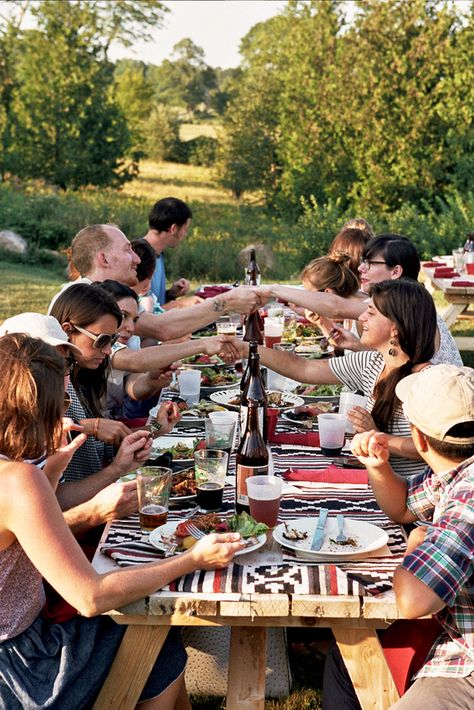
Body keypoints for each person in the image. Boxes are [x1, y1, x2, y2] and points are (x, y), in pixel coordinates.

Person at [0, 333, 245, 710]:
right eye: (61, 402)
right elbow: (91, 597)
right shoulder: (18, 480)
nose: (65, 414)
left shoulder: (20, 476)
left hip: (16, 647)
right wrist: (192, 559)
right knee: (150, 633)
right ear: (35, 409)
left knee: (154, 641)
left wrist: (50, 475)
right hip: (23, 669)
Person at [323, 364, 474, 709]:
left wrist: (415, 548)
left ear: (418, 438)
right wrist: (378, 466)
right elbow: (405, 507)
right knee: (347, 657)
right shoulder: (457, 470)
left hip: (467, 658)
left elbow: (413, 601)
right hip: (454, 631)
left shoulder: (468, 497)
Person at [234, 279, 437, 477]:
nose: (362, 318)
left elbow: (430, 447)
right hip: (376, 480)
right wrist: (245, 348)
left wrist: (376, 435)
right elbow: (302, 368)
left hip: (409, 491)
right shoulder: (373, 363)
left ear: (395, 327)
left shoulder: (425, 381)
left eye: (371, 313)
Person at [264, 233, 462, 367]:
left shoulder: (405, 305)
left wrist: (270, 290)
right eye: (363, 262)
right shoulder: (402, 299)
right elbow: (391, 360)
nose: (360, 268)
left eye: (370, 263)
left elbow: (335, 307)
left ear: (395, 271)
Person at [49, 223, 263, 342]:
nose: (137, 259)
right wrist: (227, 301)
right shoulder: (84, 298)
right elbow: (163, 328)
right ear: (103, 259)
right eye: (127, 250)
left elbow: (161, 324)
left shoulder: (104, 294)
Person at [94, 280, 239, 420]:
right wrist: (201, 345)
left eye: (135, 320)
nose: (131, 328)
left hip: (115, 425)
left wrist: (151, 381)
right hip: (97, 434)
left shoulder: (129, 340)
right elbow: (134, 360)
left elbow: (132, 387)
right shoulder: (99, 341)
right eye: (123, 316)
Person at [143, 196, 192, 308]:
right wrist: (180, 304)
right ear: (173, 228)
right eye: (185, 229)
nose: (185, 234)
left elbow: (154, 303)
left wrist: (170, 294)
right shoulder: (139, 257)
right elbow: (139, 315)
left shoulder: (158, 255)